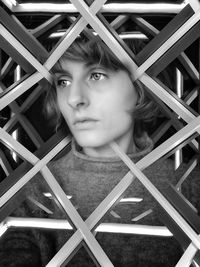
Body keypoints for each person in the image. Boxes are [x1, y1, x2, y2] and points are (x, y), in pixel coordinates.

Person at [0, 37, 199, 267]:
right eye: (63, 81)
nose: (75, 99)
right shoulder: (34, 191)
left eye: (96, 75)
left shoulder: (189, 188)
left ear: (141, 86)